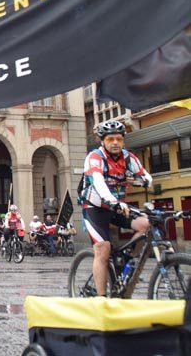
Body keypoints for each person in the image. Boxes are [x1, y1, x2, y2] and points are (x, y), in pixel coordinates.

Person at [81, 120, 151, 297]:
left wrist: (136, 180)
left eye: (119, 139)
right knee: (103, 249)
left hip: (117, 207)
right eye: (110, 139)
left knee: (147, 225)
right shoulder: (95, 157)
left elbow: (147, 179)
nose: (115, 143)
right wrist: (113, 201)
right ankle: (101, 298)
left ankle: (126, 260)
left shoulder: (128, 158)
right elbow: (98, 182)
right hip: (95, 207)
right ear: (102, 141)